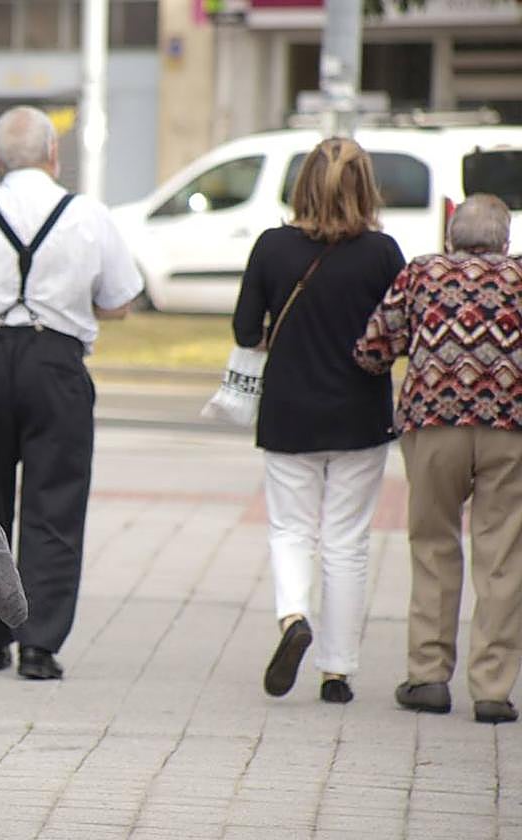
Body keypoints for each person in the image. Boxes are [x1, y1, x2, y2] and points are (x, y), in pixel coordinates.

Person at [0, 105, 142, 680]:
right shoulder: (87, 215)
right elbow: (119, 299)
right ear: (55, 155)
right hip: (58, 363)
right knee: (56, 504)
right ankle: (40, 644)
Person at [232, 137, 405, 705]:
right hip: (360, 413)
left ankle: (292, 618)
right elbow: (400, 330)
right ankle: (337, 671)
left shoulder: (272, 247)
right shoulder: (383, 253)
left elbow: (244, 329)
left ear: (301, 184)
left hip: (288, 411)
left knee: (289, 529)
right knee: (347, 541)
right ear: (367, 188)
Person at [354, 194, 522, 724]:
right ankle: (492, 689)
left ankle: (428, 677)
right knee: (503, 557)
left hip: (434, 426)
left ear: (451, 235)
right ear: (506, 239)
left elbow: (374, 348)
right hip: (510, 429)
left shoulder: (423, 272)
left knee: (432, 545)